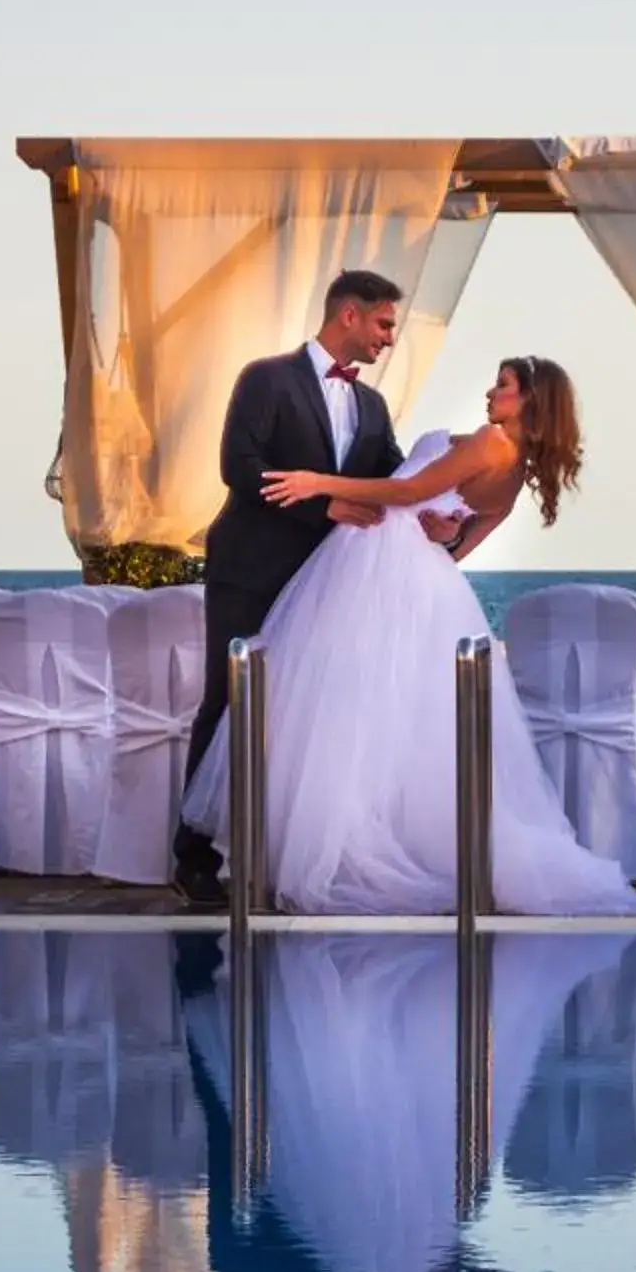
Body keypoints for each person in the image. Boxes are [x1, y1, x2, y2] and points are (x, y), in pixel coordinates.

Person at [182, 358, 636, 919]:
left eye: (505, 386)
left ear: (532, 401)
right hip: (423, 582)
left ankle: (337, 853)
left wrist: (318, 483)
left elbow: (408, 488)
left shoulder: (490, 443)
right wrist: (448, 530)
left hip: (372, 566)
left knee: (340, 712)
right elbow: (456, 550)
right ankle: (352, 846)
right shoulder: (516, 473)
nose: (492, 391)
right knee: (383, 720)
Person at [175, 268, 410, 881]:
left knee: (309, 715)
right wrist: (323, 505)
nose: (390, 338)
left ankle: (281, 853)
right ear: (350, 315)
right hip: (251, 570)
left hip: (326, 583)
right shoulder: (266, 378)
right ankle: (193, 856)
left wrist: (445, 510)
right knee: (229, 702)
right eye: (385, 323)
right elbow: (239, 466)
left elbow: (398, 477)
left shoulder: (372, 405)